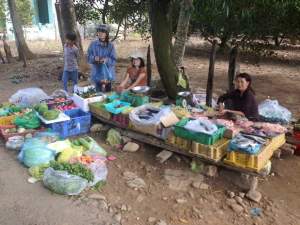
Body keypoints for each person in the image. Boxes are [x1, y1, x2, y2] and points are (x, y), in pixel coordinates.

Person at [87, 24, 116, 92]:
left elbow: (113, 60)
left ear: (106, 33)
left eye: (103, 32)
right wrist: (94, 58)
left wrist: (106, 60)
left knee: (108, 93)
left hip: (107, 74)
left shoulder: (110, 46)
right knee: (97, 93)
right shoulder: (93, 44)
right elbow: (88, 57)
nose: (100, 33)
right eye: (99, 31)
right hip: (97, 74)